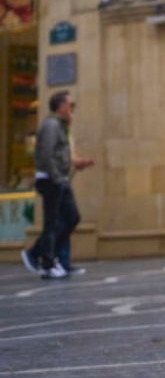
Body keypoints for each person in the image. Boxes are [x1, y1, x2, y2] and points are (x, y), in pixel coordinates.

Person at [21, 90, 93, 279]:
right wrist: (56, 177)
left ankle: (43, 255)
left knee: (71, 218)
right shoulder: (51, 125)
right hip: (52, 179)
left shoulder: (60, 125)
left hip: (59, 178)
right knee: (53, 222)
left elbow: (61, 154)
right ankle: (43, 258)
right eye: (70, 104)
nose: (72, 108)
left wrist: (74, 164)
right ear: (61, 106)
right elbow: (47, 154)